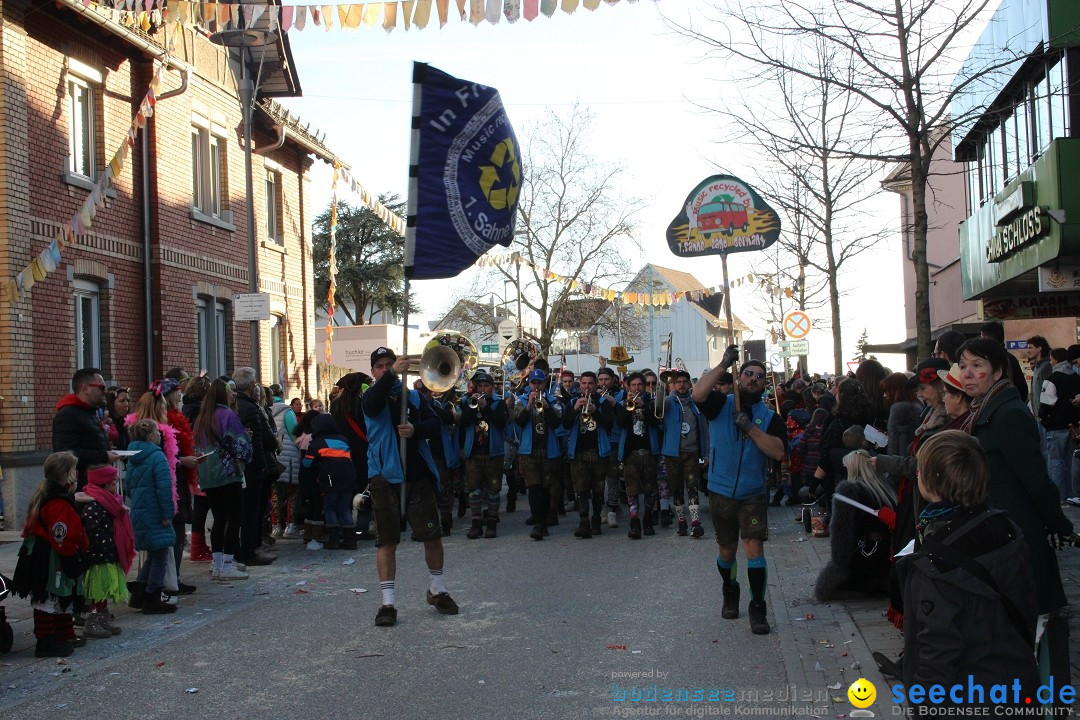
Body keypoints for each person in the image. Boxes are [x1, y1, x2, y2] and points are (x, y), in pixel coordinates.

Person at [956, 337, 1072, 697]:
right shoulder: (983, 411)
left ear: (997, 370)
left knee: (1035, 619)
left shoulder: (1007, 414)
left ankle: (1047, 697)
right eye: (963, 366)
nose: (969, 374)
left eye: (977, 366)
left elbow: (1037, 481)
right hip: (996, 532)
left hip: (1018, 534)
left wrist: (1059, 523)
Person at [896, 430, 1038, 710]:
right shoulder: (1007, 528)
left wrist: (925, 706)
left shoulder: (934, 562)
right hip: (1016, 684)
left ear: (929, 482)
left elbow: (937, 647)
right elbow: (1028, 603)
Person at [692, 348, 786, 635]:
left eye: (760, 376)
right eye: (748, 373)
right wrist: (723, 364)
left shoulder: (770, 417)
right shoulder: (721, 404)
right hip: (720, 489)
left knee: (754, 547)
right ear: (739, 376)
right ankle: (730, 589)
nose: (754, 379)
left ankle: (758, 607)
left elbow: (779, 452)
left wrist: (751, 430)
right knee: (727, 551)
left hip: (753, 492)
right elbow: (697, 395)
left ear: (765, 383)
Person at [362, 347, 458, 627]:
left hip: (416, 475)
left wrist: (416, 430)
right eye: (379, 366)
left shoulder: (415, 397)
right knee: (387, 540)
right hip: (383, 475)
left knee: (432, 534)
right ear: (373, 371)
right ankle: (388, 603)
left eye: (389, 365)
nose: (383, 369)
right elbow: (372, 403)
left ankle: (438, 589)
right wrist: (391, 375)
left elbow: (435, 423)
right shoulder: (371, 396)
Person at [12, 451, 89, 657]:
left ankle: (63, 634)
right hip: (50, 555)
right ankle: (46, 641)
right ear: (66, 474)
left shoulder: (58, 496)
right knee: (49, 594)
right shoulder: (57, 502)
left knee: (62, 592)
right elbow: (60, 535)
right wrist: (71, 555)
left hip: (52, 551)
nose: (77, 473)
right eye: (74, 470)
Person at [813, 450, 895, 601]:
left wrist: (837, 569)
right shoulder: (885, 490)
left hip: (865, 563)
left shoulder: (850, 492)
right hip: (886, 559)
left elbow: (842, 536)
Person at [193, 379, 252, 581]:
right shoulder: (227, 415)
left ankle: (217, 564)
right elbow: (239, 445)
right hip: (227, 473)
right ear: (223, 395)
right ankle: (227, 564)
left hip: (208, 474)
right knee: (234, 518)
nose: (232, 395)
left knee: (218, 519)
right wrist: (247, 446)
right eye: (230, 392)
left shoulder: (201, 418)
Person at [125, 419, 178, 614]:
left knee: (153, 554)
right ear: (151, 435)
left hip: (140, 511)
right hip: (156, 512)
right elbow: (164, 488)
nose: (160, 435)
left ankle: (138, 593)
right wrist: (167, 513)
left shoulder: (133, 457)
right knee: (161, 555)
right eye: (157, 431)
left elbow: (129, 486)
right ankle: (152, 595)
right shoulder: (157, 457)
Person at [76, 465, 134, 638]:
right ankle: (91, 622)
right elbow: (93, 531)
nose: (115, 484)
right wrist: (109, 544)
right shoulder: (94, 504)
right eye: (113, 482)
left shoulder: (108, 502)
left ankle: (102, 619)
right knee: (97, 590)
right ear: (104, 483)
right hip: (98, 556)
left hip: (108, 553)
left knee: (105, 590)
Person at [232, 367, 278, 567]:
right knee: (252, 511)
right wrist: (262, 467)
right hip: (253, 468)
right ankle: (249, 550)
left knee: (246, 511)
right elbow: (258, 441)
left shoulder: (235, 405)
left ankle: (248, 547)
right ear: (251, 386)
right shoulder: (250, 408)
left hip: (241, 467)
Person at [563, 370, 615, 538]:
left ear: (596, 385)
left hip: (598, 451)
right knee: (581, 489)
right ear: (580, 385)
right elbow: (565, 424)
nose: (587, 386)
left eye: (590, 383)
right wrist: (576, 408)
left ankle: (596, 519)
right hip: (579, 452)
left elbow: (609, 425)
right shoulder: (572, 402)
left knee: (598, 488)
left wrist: (596, 411)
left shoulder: (603, 402)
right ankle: (583, 521)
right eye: (584, 383)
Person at [459, 370, 510, 539]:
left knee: (494, 489)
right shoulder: (468, 402)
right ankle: (475, 524)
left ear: (492, 388)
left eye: (486, 386)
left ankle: (492, 523)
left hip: (493, 454)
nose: (482, 389)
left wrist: (485, 407)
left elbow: (501, 422)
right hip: (474, 454)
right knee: (473, 490)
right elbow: (463, 422)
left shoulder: (499, 403)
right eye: (479, 386)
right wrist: (473, 407)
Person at [513, 369, 562, 540]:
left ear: (544, 383)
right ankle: (538, 523)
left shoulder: (553, 399)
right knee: (533, 488)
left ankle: (544, 519)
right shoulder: (521, 400)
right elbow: (518, 421)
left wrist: (547, 408)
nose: (536, 386)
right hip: (529, 451)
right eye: (533, 383)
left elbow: (557, 423)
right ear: (529, 383)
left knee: (546, 488)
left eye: (539, 383)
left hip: (548, 450)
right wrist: (528, 406)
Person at [661, 369, 709, 537]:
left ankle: (695, 523)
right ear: (673, 384)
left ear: (689, 384)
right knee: (677, 489)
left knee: (692, 487)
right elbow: (658, 406)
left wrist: (707, 453)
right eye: (678, 382)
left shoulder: (696, 403)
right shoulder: (669, 401)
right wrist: (662, 384)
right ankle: (681, 521)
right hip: (672, 454)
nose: (681, 385)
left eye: (684, 382)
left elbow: (704, 429)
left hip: (692, 453)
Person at [299, 414, 357, 550]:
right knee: (344, 508)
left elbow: (307, 463)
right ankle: (350, 540)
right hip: (349, 478)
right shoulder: (344, 440)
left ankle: (334, 540)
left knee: (330, 508)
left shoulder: (317, 443)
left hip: (330, 479)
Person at [52, 367, 118, 486]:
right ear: (85, 388)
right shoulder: (68, 415)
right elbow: (65, 454)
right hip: (82, 489)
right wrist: (104, 456)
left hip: (95, 487)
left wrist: (106, 451)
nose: (105, 391)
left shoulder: (89, 412)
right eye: (101, 387)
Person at [615, 372, 660, 539]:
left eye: (639, 385)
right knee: (631, 491)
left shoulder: (652, 403)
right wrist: (630, 407)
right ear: (628, 387)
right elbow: (620, 423)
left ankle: (648, 519)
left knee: (650, 489)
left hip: (649, 451)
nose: (636, 388)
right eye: (633, 385)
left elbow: (656, 423)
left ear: (644, 386)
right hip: (631, 453)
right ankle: (634, 523)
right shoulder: (622, 404)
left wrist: (644, 407)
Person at [1038, 347, 1079, 502]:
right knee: (1071, 465)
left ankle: (1057, 499)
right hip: (1074, 427)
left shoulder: (1053, 378)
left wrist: (1043, 418)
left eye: (1051, 359)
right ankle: (1072, 497)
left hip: (1055, 428)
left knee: (1055, 464)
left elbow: (1046, 403)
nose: (1050, 362)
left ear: (1055, 359)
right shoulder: (1076, 377)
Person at [181, 377, 212, 562]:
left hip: (192, 457)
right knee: (203, 504)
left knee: (200, 504)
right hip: (201, 458)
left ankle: (197, 545)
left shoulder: (186, 409)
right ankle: (198, 547)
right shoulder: (199, 411)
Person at [271, 386, 303, 539]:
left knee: (275, 492)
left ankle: (275, 526)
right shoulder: (286, 411)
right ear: (282, 395)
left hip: (273, 457)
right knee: (293, 491)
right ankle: (291, 525)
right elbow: (295, 433)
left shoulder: (265, 409)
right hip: (289, 457)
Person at [977, 321, 1027, 404]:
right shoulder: (1010, 358)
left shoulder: (999, 360)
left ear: (987, 339)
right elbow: (1022, 388)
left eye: (982, 338)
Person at [881, 372, 920, 457]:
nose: (885, 395)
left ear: (896, 390)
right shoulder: (917, 406)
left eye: (887, 391)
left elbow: (895, 446)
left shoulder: (899, 410)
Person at [105, 386, 131, 451]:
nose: (126, 404)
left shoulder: (126, 423)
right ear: (111, 403)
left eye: (127, 400)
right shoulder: (105, 424)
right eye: (122, 401)